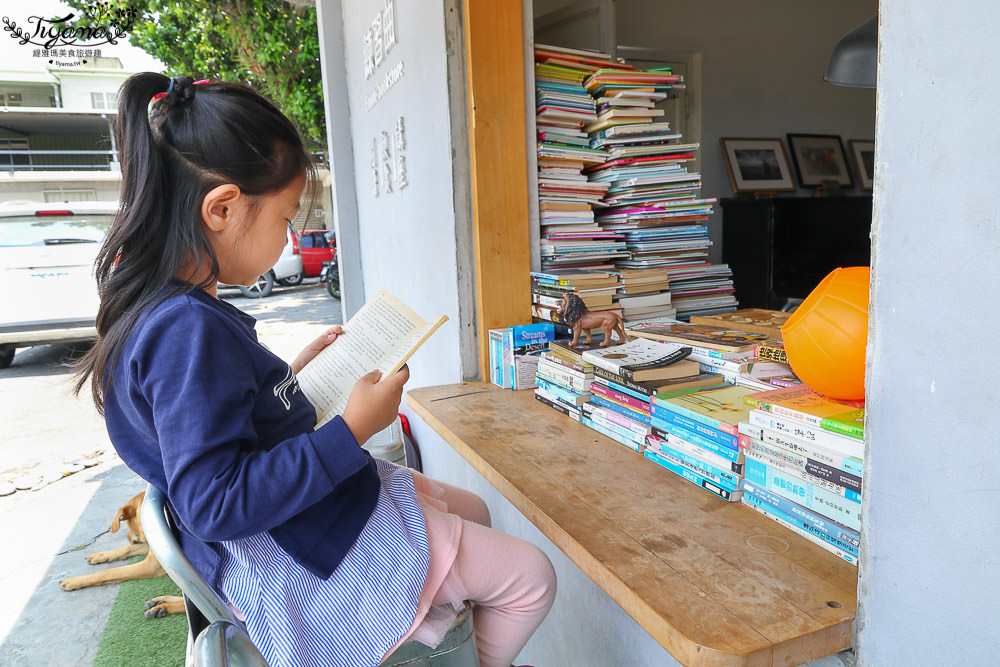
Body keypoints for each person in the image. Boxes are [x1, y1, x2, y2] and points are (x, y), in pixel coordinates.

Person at [75, 73, 555, 667]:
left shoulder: (166, 308)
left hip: (288, 524)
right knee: (531, 576)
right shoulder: (186, 330)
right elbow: (214, 501)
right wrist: (352, 430)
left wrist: (289, 378)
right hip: (292, 551)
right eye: (284, 219)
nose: (290, 238)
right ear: (222, 208)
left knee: (476, 512)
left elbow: (212, 414)